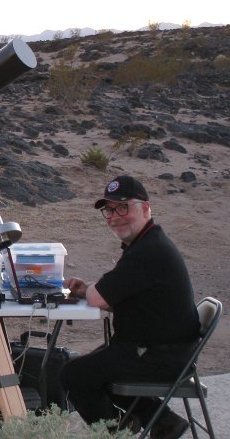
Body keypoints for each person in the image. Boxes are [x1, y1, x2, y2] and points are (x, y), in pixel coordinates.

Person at [59, 175, 200, 439]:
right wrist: (88, 289)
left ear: (145, 208)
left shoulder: (149, 250)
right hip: (161, 349)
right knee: (91, 367)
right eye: (109, 210)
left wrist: (88, 290)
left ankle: (116, 432)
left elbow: (98, 299)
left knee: (74, 374)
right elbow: (116, 295)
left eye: (123, 207)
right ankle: (164, 422)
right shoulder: (145, 243)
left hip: (160, 357)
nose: (114, 216)